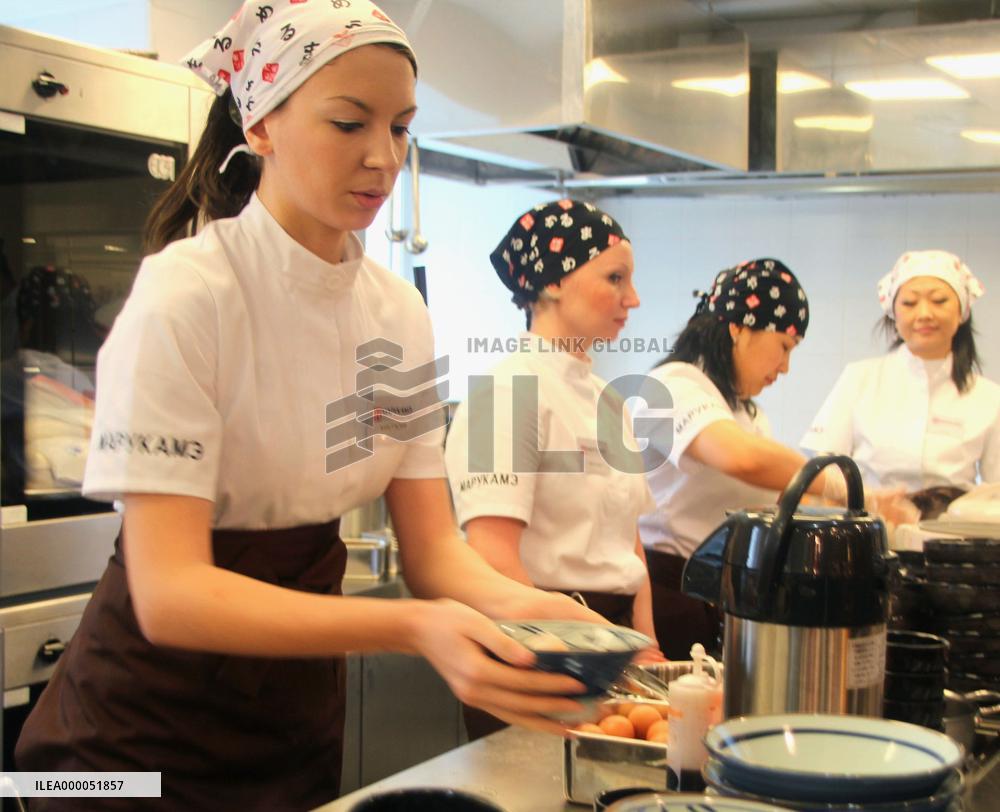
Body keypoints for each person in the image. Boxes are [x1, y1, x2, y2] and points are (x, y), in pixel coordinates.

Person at [15, 5, 601, 810]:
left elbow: (434, 553)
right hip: (119, 748)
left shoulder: (395, 314)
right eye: (348, 123)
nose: (382, 157)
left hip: (287, 731)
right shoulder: (190, 294)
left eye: (400, 128)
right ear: (260, 127)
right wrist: (410, 629)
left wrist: (545, 613)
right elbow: (173, 592)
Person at [445, 200, 663, 736]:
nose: (632, 299)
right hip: (539, 653)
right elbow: (492, 557)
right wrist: (586, 656)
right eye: (615, 278)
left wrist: (649, 646)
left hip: (614, 645)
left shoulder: (608, 400)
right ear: (554, 282)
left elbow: (627, 544)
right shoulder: (505, 394)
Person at [632, 259, 854, 660]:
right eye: (784, 346)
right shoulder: (673, 386)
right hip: (667, 594)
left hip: (719, 593)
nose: (785, 367)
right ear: (739, 327)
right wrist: (835, 482)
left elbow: (764, 494)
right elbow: (740, 458)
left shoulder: (744, 411)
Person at [802, 250, 1000, 490]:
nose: (924, 314)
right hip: (872, 522)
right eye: (909, 303)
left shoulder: (989, 397)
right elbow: (825, 466)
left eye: (939, 301)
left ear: (962, 311)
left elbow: (995, 489)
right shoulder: (859, 378)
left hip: (951, 525)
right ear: (893, 312)